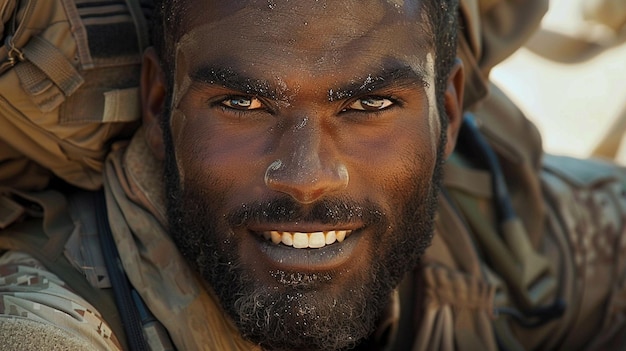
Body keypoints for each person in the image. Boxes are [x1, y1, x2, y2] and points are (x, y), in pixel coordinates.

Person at [1, 0, 626, 350]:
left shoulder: (496, 243)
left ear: (450, 110)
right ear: (161, 103)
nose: (307, 177)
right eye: (243, 105)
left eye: (369, 105)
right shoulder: (58, 316)